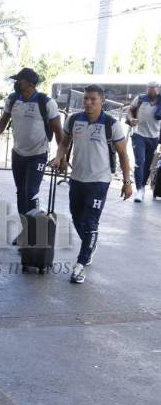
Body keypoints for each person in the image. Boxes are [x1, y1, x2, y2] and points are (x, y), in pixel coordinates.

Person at [50, 84, 132, 284]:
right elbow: (64, 142)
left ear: (102, 101)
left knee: (90, 221)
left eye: (92, 99)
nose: (87, 102)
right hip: (77, 178)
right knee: (77, 217)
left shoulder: (111, 124)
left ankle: (81, 264)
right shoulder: (74, 119)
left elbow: (123, 154)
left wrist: (127, 182)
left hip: (99, 181)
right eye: (85, 98)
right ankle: (90, 242)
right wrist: (59, 157)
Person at [0, 68, 63, 244]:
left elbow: (58, 131)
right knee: (21, 193)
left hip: (38, 155)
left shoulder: (46, 102)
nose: (16, 83)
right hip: (18, 154)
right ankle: (24, 230)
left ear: (31, 83)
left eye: (20, 80)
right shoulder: (13, 99)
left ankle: (33, 232)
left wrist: (61, 157)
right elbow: (3, 121)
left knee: (31, 193)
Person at [126, 80, 161, 202]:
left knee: (147, 165)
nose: (150, 90)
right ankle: (139, 190)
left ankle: (143, 187)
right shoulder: (140, 99)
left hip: (154, 137)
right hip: (139, 134)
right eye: (148, 88)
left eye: (153, 88)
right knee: (140, 161)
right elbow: (130, 110)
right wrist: (131, 119)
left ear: (158, 89)